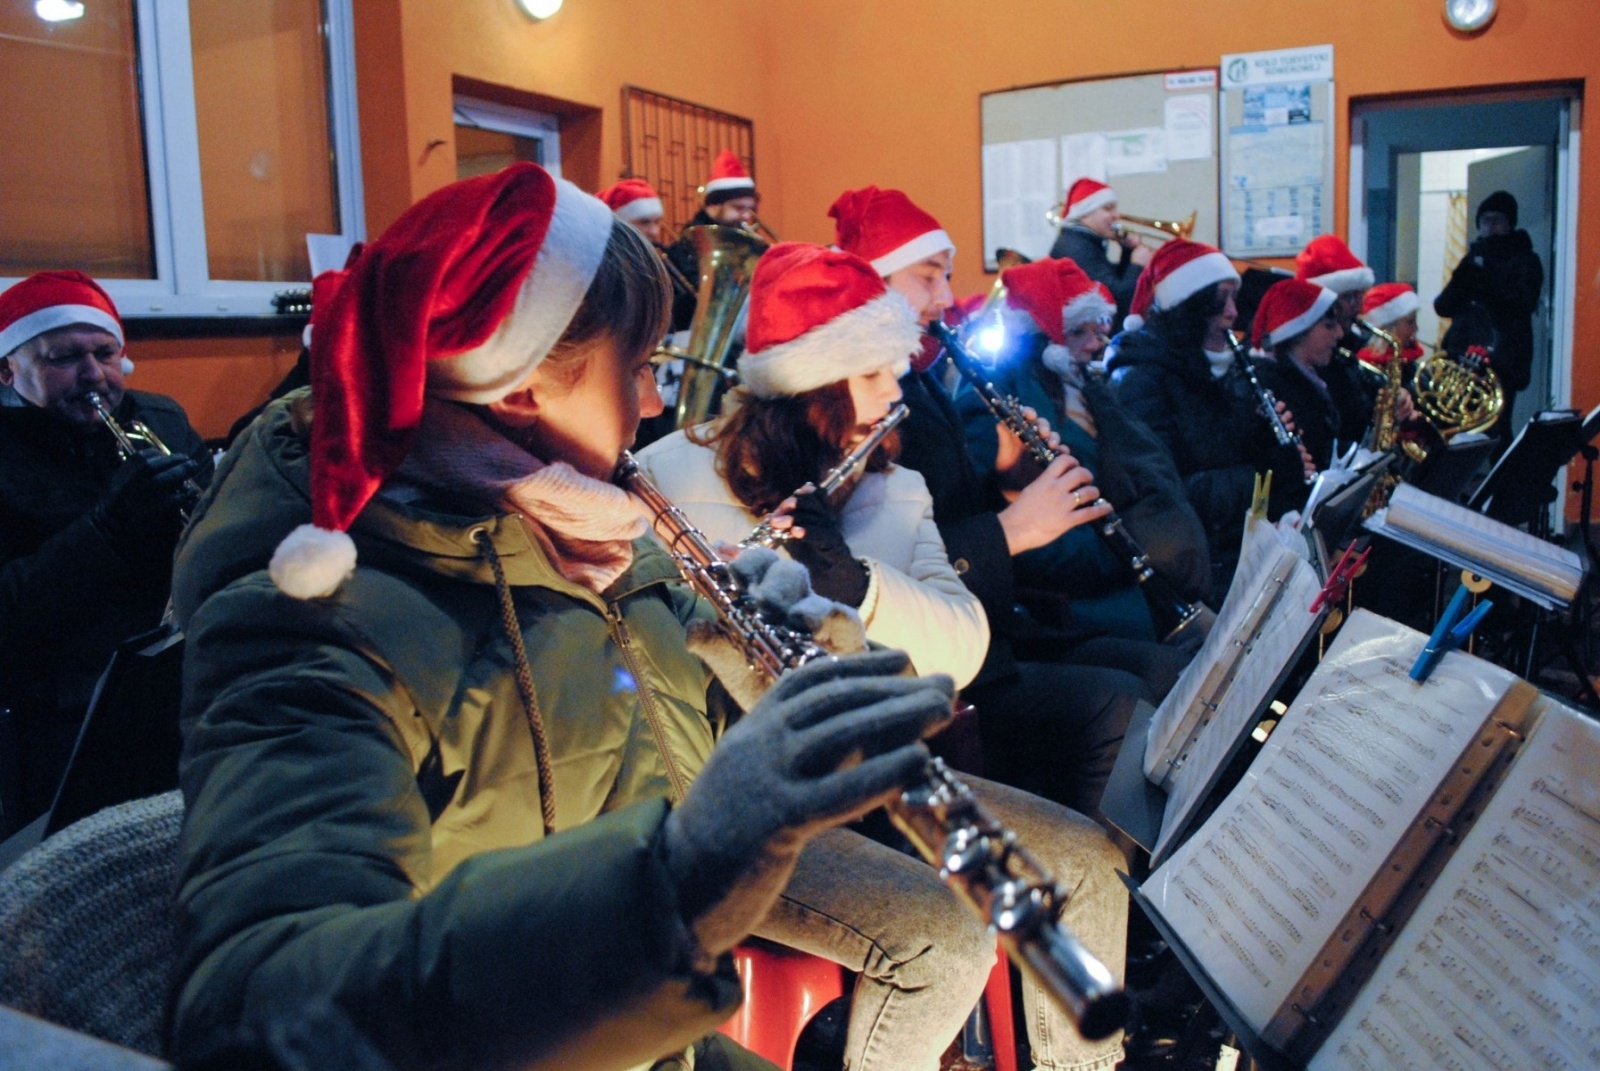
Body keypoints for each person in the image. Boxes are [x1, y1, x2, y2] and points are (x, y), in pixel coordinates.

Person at [165, 163, 956, 1071]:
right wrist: (676, 878)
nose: (658, 403)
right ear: (520, 389)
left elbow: (621, 747)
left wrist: (778, 685)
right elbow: (253, 1014)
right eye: (642, 368)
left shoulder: (581, 533)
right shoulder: (311, 627)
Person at [637, 242, 1128, 1071]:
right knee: (937, 939)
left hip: (873, 776)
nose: (898, 394)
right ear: (813, 383)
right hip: (728, 790)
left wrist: (858, 582)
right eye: (877, 375)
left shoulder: (896, 490)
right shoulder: (668, 477)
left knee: (1088, 855)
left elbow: (964, 644)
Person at [830, 185, 1181, 816]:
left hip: (992, 621)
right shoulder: (856, 400)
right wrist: (1013, 530)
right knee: (1122, 702)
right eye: (928, 276)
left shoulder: (917, 378)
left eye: (947, 278)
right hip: (931, 664)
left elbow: (942, 504)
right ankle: (1095, 879)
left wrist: (1009, 476)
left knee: (1158, 675)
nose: (945, 298)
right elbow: (872, 564)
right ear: (872, 282)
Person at [0, 271, 209, 831]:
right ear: (8, 370)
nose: (93, 375)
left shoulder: (159, 419)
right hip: (53, 713)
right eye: (63, 358)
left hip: (169, 680)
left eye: (105, 353)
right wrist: (107, 529)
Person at [957, 256, 1211, 645]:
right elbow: (996, 510)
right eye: (1079, 332)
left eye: (1098, 330)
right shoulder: (996, 392)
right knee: (1184, 658)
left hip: (1122, 562)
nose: (1096, 345)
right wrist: (1122, 555)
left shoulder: (1086, 386)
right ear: (1040, 335)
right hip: (1075, 585)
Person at [1106, 240, 1312, 604]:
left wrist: (1269, 442)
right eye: (1221, 300)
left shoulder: (1217, 371)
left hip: (1232, 545)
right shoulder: (1140, 380)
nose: (1234, 313)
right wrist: (1265, 475)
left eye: (1235, 298)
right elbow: (1173, 494)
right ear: (1189, 306)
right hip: (1193, 569)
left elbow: (1220, 454)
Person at [1433, 189, 1544, 439]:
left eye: (1497, 221)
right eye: (1485, 221)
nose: (1491, 227)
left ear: (1509, 224)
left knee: (1497, 429)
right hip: (1463, 356)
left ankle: (1500, 477)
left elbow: (1523, 303)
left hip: (1502, 361)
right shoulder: (1472, 259)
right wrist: (1464, 278)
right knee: (1455, 426)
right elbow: (1443, 306)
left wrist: (1486, 283)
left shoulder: (1525, 260)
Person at [664, 149, 761, 332]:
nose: (746, 216)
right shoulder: (685, 248)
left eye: (750, 209)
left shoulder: (745, 241)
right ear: (713, 205)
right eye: (739, 208)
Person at [1048, 179, 1151, 326]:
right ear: (1084, 213)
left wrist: (1127, 251)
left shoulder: (1083, 240)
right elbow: (1116, 301)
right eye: (1108, 209)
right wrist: (1137, 266)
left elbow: (1114, 282)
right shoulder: (1077, 248)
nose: (1117, 216)